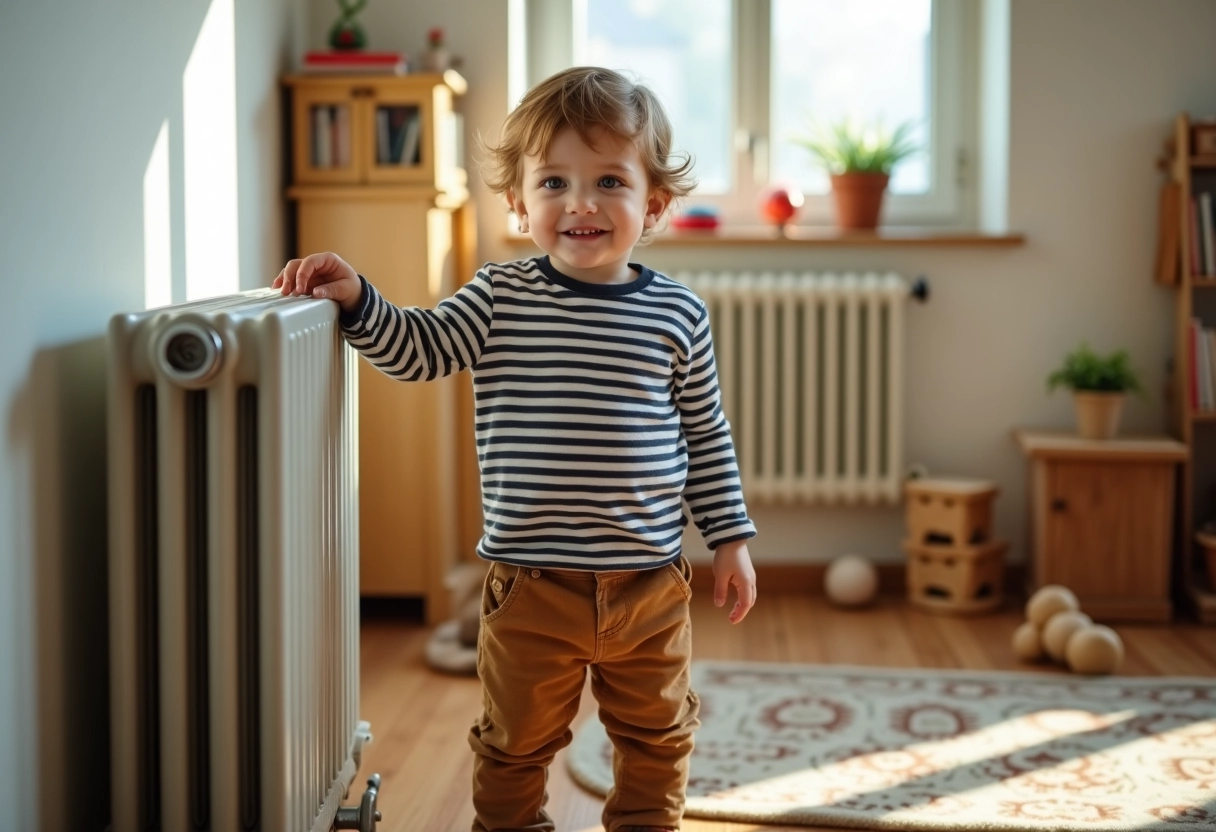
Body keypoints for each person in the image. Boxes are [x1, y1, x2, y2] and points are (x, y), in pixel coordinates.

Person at [274, 65, 757, 832]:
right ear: (518, 201)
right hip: (533, 586)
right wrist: (361, 299)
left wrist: (730, 539)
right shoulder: (501, 295)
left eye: (609, 181)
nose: (582, 204)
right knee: (513, 746)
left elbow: (706, 433)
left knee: (659, 740)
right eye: (555, 182)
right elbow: (420, 349)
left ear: (654, 203)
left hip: (649, 588)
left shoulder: (678, 314)